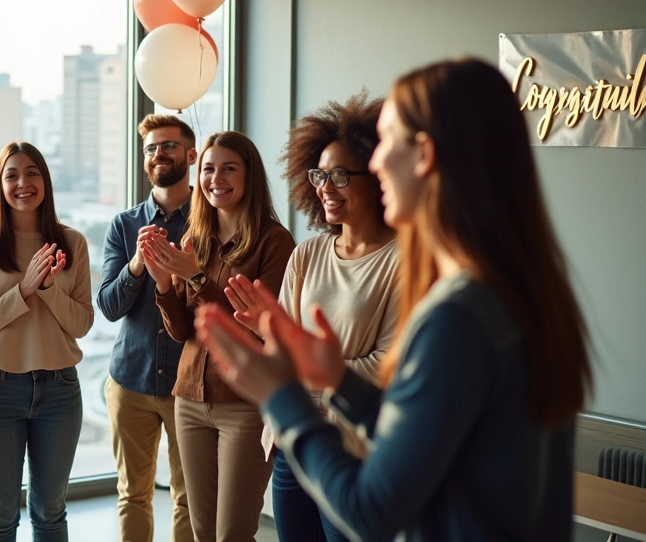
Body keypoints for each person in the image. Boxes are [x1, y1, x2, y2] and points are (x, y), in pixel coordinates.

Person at [195, 58, 593, 541]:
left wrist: (282, 397)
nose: (378, 164)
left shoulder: (460, 316)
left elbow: (371, 511)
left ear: (423, 154)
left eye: (387, 144)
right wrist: (338, 376)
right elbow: (429, 433)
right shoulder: (514, 290)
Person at [234, 91, 399, 542]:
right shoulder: (308, 253)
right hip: (292, 439)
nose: (325, 186)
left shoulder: (403, 261)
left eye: (341, 175)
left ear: (378, 177)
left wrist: (297, 366)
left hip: (354, 451)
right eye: (319, 174)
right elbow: (280, 346)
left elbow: (388, 366)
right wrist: (265, 336)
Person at [142, 130, 295, 542]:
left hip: (246, 404)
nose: (215, 178)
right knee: (200, 530)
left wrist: (193, 274)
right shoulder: (195, 240)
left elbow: (260, 330)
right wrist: (161, 283)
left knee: (232, 533)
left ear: (250, 177)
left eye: (229, 168)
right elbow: (181, 332)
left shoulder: (274, 242)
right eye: (208, 168)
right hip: (189, 400)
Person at [0, 142, 94, 542]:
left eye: (31, 172)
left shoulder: (73, 243)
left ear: (45, 181)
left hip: (61, 390)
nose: (22, 183)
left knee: (51, 512)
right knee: (0, 516)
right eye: (11, 175)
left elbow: (83, 323)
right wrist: (25, 289)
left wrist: (49, 289)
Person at [96, 114, 196, 542]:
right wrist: (137, 264)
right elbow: (109, 306)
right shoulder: (124, 225)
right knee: (132, 495)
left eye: (168, 146)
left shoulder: (209, 221)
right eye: (151, 148)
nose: (159, 154)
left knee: (189, 496)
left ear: (191, 154)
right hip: (129, 379)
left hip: (187, 384)